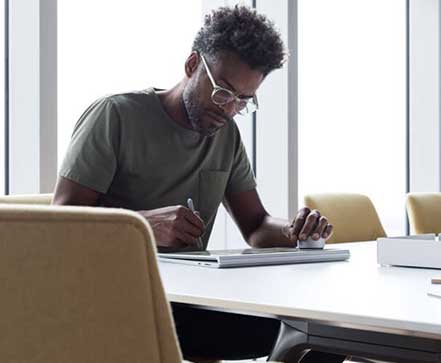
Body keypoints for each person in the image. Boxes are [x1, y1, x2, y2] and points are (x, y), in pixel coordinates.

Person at [53, 5, 343, 363]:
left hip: (191, 298)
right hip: (116, 299)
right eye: (223, 92)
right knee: (311, 336)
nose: (228, 109)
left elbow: (255, 227)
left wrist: (296, 231)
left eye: (243, 101)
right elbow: (62, 224)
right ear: (192, 65)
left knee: (327, 333)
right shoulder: (116, 115)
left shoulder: (226, 136)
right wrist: (143, 224)